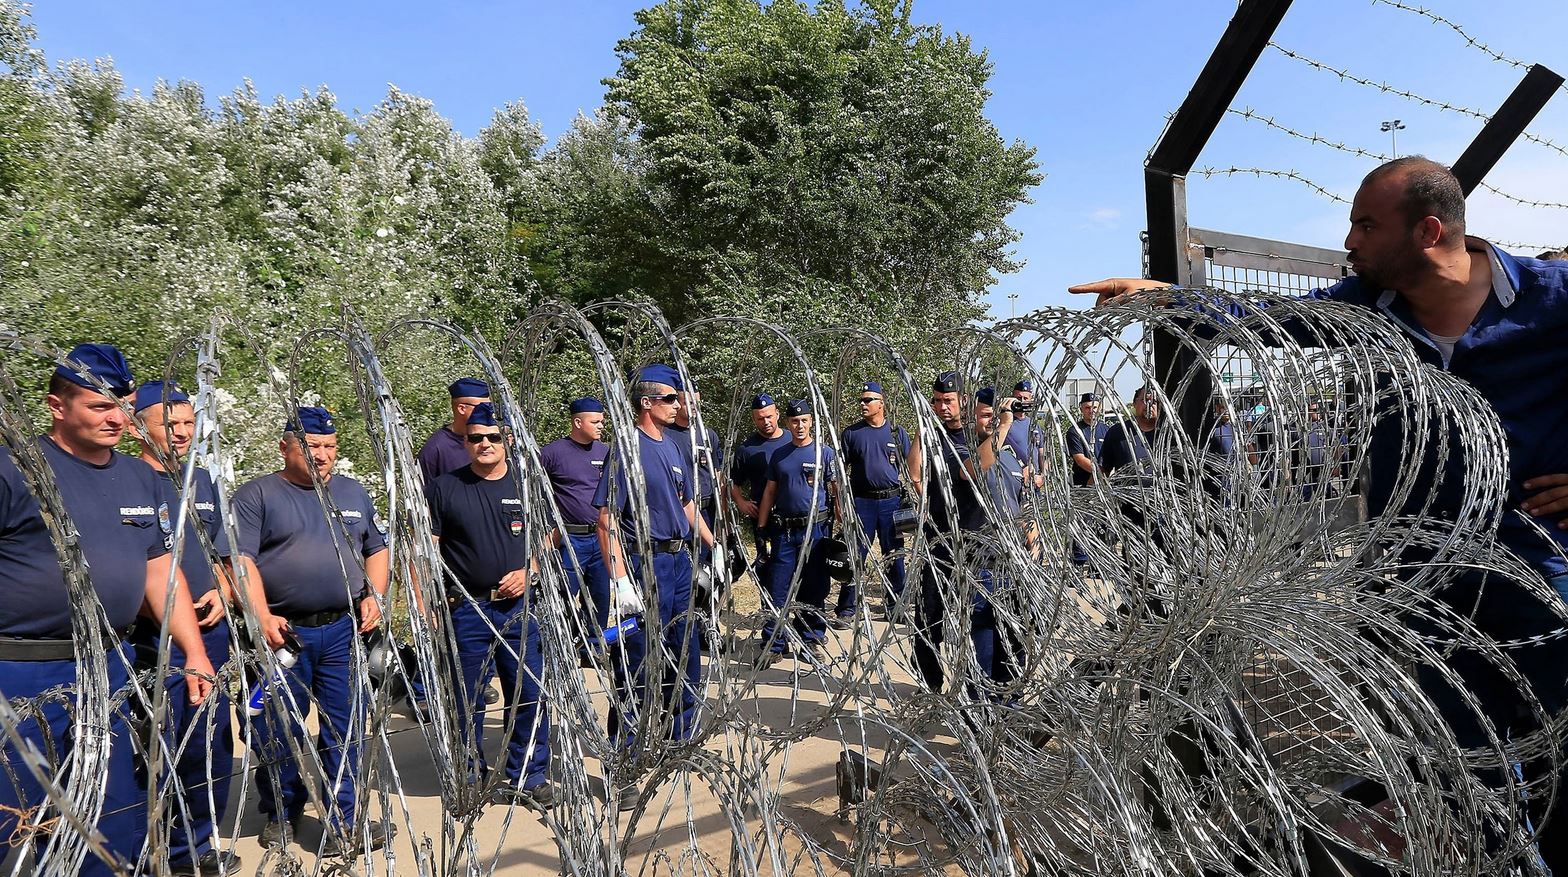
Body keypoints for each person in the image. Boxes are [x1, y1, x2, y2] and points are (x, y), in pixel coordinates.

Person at [1073, 156, 1568, 869]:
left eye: (1367, 224)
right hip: (1429, 590)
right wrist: (1166, 295)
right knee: (1470, 773)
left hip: (1539, 571)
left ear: (1429, 230)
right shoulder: (1370, 312)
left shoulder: (1552, 298)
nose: (1350, 239)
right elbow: (1265, 321)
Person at [0, 344, 213, 877]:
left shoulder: (141, 479)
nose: (117, 418)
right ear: (57, 406)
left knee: (114, 811)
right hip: (24, 670)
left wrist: (194, 651)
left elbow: (161, 572)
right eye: (99, 407)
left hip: (110, 664)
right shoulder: (16, 470)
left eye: (122, 405)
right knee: (24, 819)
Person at [233, 406, 390, 855]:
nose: (321, 456)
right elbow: (240, 562)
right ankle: (282, 813)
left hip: (341, 631)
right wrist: (261, 616)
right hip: (285, 636)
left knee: (347, 727)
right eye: (311, 446)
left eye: (328, 447)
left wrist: (374, 596)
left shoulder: (352, 492)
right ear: (285, 448)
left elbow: (377, 548)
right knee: (276, 728)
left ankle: (345, 820)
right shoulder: (257, 496)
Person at [132, 380, 239, 875]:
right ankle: (168, 851)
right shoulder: (130, 481)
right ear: (139, 428)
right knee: (165, 747)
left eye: (187, 423)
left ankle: (199, 843)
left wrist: (222, 590)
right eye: (168, 424)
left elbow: (219, 553)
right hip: (154, 641)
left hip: (210, 631)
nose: (180, 433)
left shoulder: (203, 481)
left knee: (212, 742)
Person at [594, 364, 713, 809]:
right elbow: (606, 519)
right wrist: (620, 578)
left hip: (677, 560)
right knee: (637, 662)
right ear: (647, 402)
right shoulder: (628, 448)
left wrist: (712, 545)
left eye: (678, 398)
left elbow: (685, 503)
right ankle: (622, 763)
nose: (677, 405)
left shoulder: (673, 446)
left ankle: (680, 737)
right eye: (670, 398)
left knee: (685, 651)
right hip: (644, 564)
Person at [425, 402, 553, 809]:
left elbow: (549, 535)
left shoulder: (528, 484)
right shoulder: (445, 487)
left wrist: (529, 570)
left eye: (494, 437)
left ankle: (529, 775)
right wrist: (428, 602)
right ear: (464, 441)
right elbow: (427, 548)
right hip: (468, 609)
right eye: (475, 438)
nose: (484, 444)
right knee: (467, 698)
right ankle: (467, 777)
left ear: (509, 441)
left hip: (520, 609)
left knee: (528, 693)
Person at [910, 371, 985, 692]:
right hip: (937, 538)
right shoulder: (931, 434)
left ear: (963, 401)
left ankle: (973, 687)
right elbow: (914, 471)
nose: (942, 407)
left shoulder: (976, 436)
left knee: (976, 620)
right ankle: (932, 684)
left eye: (948, 401)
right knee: (928, 618)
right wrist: (924, 426)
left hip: (973, 540)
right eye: (937, 401)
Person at [755, 399, 840, 664]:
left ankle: (810, 639)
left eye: (804, 421)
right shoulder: (780, 455)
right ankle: (774, 643)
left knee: (813, 589)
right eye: (794, 421)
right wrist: (761, 526)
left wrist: (844, 523)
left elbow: (837, 492)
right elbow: (770, 491)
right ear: (788, 423)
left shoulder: (824, 453)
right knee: (777, 588)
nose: (799, 425)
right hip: (784, 533)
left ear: (811, 421)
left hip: (815, 530)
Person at [540, 397, 613, 649]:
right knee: (563, 594)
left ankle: (593, 645)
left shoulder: (606, 453)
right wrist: (549, 528)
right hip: (569, 539)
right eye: (596, 422)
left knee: (601, 596)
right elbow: (535, 492)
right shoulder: (552, 453)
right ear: (577, 421)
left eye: (602, 421)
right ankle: (554, 645)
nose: (601, 426)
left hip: (601, 538)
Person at [839, 380, 911, 622]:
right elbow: (839, 473)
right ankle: (846, 608)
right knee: (855, 555)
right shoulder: (851, 434)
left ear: (881, 403)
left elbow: (911, 469)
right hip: (862, 503)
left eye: (868, 399)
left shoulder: (896, 433)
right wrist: (841, 504)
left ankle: (896, 606)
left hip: (891, 502)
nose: (863, 403)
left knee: (895, 555)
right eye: (861, 399)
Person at [729, 393, 792, 579]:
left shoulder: (793, 440)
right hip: (763, 517)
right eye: (760, 418)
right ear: (754, 419)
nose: (766, 422)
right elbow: (732, 481)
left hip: (792, 514)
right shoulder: (747, 449)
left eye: (769, 416)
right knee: (767, 566)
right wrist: (740, 502)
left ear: (777, 414)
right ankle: (768, 606)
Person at [418, 378, 491, 485]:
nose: (488, 412)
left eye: (489, 407)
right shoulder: (435, 449)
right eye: (482, 407)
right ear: (462, 408)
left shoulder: (495, 440)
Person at [1065, 392, 1109, 565]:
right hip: (1083, 485)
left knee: (1103, 524)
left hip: (1105, 485)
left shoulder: (1106, 429)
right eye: (1088, 408)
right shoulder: (1075, 431)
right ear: (1082, 409)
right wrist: (1100, 471)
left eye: (1095, 407)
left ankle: (1099, 564)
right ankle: (1080, 560)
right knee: (1083, 522)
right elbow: (1079, 458)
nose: (1091, 411)